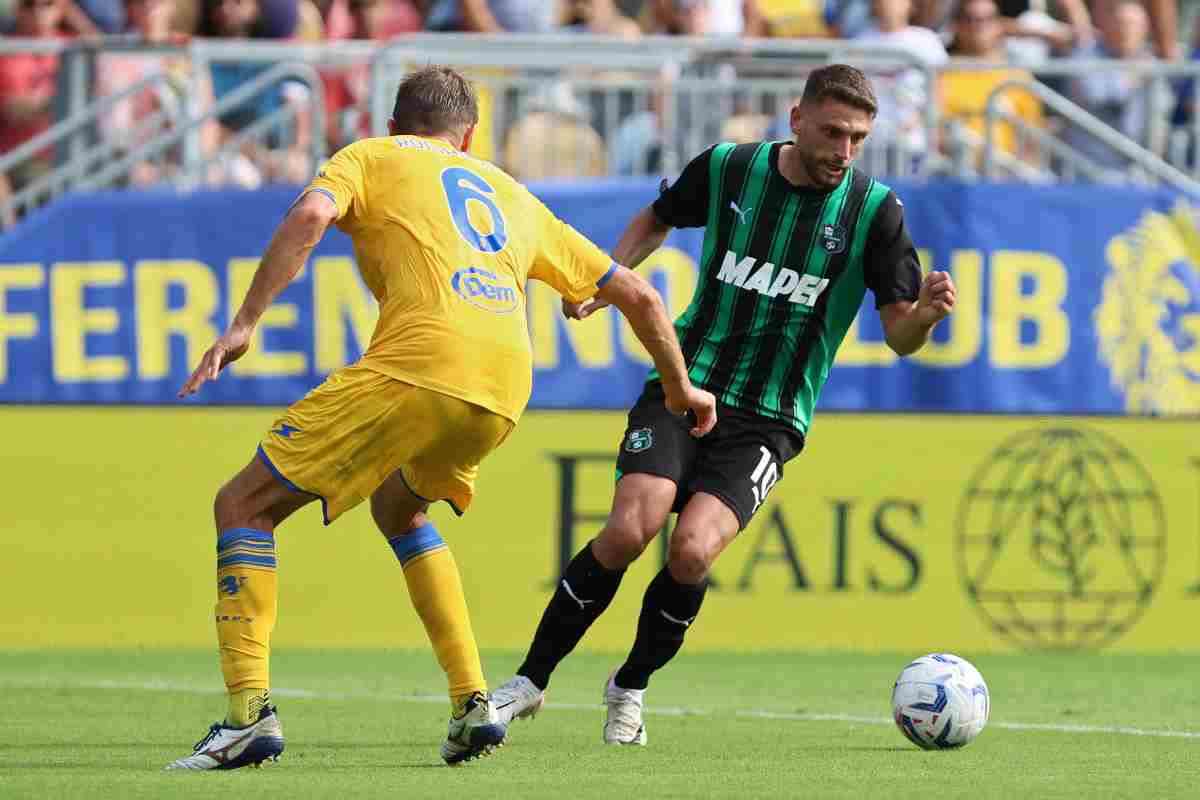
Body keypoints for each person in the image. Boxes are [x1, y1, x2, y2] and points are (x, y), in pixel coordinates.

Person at [165, 65, 716, 770]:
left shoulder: (369, 155)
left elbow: (309, 217)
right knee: (400, 510)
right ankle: (471, 703)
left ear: (396, 127)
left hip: (418, 365)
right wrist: (681, 390)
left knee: (242, 505)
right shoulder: (510, 192)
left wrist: (244, 323)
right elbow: (637, 292)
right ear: (469, 137)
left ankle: (246, 716)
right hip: (503, 388)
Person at [489, 64, 957, 746]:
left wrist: (926, 317)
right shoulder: (731, 169)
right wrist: (609, 278)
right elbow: (657, 217)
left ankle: (630, 688)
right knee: (628, 529)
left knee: (692, 552)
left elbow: (899, 335)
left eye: (857, 137)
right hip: (688, 379)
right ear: (795, 120)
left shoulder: (875, 212)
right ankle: (528, 683)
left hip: (770, 416)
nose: (843, 150)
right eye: (831, 132)